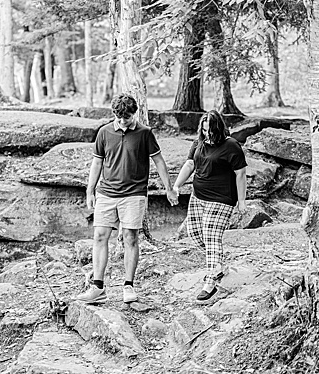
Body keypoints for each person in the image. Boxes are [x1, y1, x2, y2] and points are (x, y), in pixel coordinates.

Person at [76, 93, 178, 304]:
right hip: (106, 193)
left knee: (130, 238)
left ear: (135, 113)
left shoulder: (145, 133)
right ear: (114, 114)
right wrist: (90, 191)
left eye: (127, 118)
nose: (123, 122)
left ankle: (128, 286)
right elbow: (96, 164)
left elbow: (159, 161)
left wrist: (169, 188)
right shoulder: (104, 132)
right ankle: (98, 287)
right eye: (119, 117)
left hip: (133, 194)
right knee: (100, 237)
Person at [172, 111, 247, 301]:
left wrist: (242, 201)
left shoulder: (231, 146)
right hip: (198, 196)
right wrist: (177, 185)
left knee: (212, 238)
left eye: (211, 131)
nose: (208, 135)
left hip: (222, 199)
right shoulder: (198, 143)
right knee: (195, 234)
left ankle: (210, 281)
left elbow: (240, 174)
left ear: (219, 129)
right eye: (204, 131)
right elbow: (190, 164)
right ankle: (218, 265)